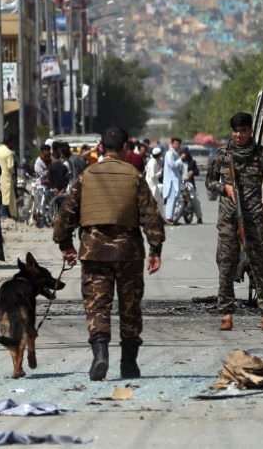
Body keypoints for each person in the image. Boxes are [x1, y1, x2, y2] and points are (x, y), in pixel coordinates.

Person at [53, 127, 165, 381]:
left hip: (95, 252)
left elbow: (65, 214)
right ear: (125, 147)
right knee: (130, 308)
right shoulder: (134, 176)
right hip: (129, 253)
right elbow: (151, 215)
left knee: (97, 306)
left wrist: (65, 246)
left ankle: (100, 354)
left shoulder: (86, 176)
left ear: (101, 148)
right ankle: (129, 364)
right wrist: (155, 249)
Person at [206, 112, 263, 331]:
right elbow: (210, 181)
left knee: (259, 264)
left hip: (253, 217)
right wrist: (225, 187)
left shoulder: (261, 155)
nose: (238, 135)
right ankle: (227, 313)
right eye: (235, 131)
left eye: (242, 131)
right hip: (228, 218)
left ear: (250, 131)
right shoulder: (223, 155)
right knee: (226, 263)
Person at [0, 136, 17, 219]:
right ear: (9, 143)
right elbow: (10, 166)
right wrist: (13, 172)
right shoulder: (8, 152)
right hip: (6, 177)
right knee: (7, 197)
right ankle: (5, 215)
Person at [178, 146, 203, 224]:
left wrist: (192, 172)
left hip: (189, 183)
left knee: (196, 201)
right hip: (178, 183)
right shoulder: (177, 162)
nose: (183, 155)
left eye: (184, 153)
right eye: (182, 153)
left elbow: (197, 172)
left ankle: (199, 217)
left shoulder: (192, 162)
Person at [162, 137, 183, 225]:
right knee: (171, 199)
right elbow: (172, 165)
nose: (177, 146)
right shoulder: (169, 153)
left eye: (178, 144)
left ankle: (171, 218)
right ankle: (168, 218)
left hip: (175, 180)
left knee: (175, 199)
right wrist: (180, 159)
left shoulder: (175, 153)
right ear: (172, 143)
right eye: (176, 144)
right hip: (171, 181)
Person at [144, 146, 164, 215]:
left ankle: (161, 217)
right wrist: (160, 172)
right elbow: (153, 176)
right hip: (152, 185)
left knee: (159, 202)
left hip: (153, 184)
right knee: (154, 202)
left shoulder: (152, 160)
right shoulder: (153, 162)